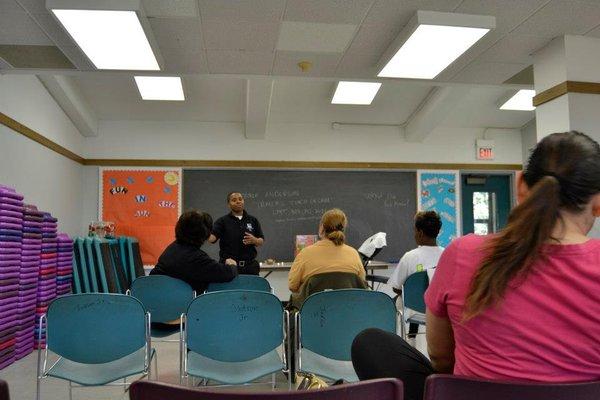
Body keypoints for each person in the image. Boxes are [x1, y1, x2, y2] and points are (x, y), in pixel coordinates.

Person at [352, 131, 600, 400]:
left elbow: (441, 359)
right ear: (597, 203)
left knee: (372, 342)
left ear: (520, 186)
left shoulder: (463, 253)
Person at [150, 210, 238, 293]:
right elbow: (226, 274)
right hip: (180, 305)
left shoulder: (172, 248)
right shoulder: (197, 258)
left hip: (155, 300)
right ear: (204, 233)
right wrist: (232, 265)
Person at [388, 211, 444, 339]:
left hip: (414, 311)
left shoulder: (410, 257)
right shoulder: (447, 254)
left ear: (420, 232)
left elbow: (396, 287)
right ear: (438, 231)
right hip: (441, 309)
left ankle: (410, 338)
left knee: (402, 299)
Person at [288, 208, 365, 293]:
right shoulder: (353, 254)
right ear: (343, 229)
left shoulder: (305, 254)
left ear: (322, 228)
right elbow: (361, 283)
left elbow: (292, 286)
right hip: (348, 305)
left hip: (313, 305)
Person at [208, 192, 264, 275]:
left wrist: (255, 240)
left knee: (251, 288)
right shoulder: (222, 221)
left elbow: (261, 240)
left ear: (243, 201)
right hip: (229, 267)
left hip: (250, 267)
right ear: (229, 204)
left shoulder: (253, 220)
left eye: (240, 199)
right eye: (234, 200)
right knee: (231, 288)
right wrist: (202, 229)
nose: (238, 201)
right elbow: (211, 239)